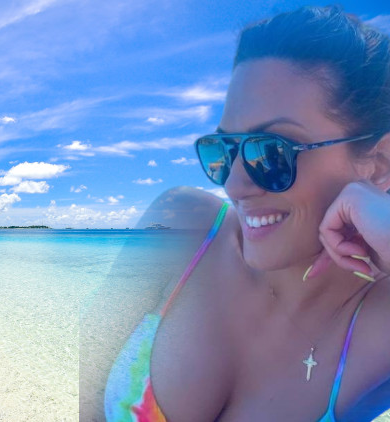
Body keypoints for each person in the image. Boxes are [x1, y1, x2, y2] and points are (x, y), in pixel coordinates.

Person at [104, 6, 390, 421]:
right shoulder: (184, 225)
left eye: (273, 151)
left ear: (378, 165)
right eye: (224, 150)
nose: (234, 185)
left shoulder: (380, 322)